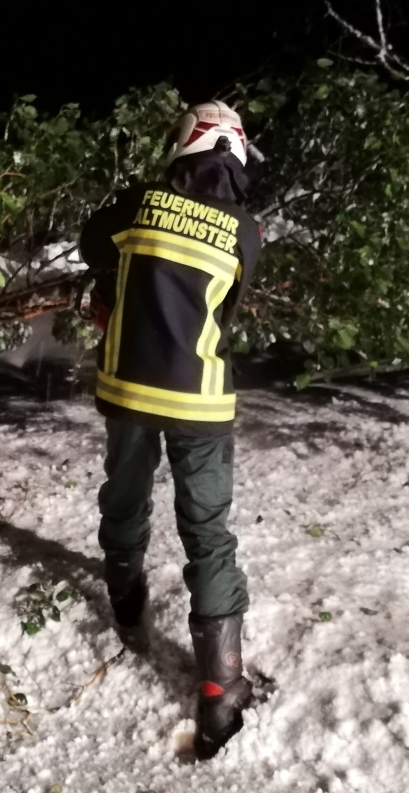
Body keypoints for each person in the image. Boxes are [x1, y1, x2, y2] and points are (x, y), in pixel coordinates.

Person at [78, 100, 262, 760]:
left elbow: (90, 247)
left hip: (128, 385)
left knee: (125, 495)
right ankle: (221, 687)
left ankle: (126, 599)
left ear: (184, 144)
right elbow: (227, 308)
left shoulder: (136, 204)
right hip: (201, 399)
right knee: (207, 529)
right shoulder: (245, 230)